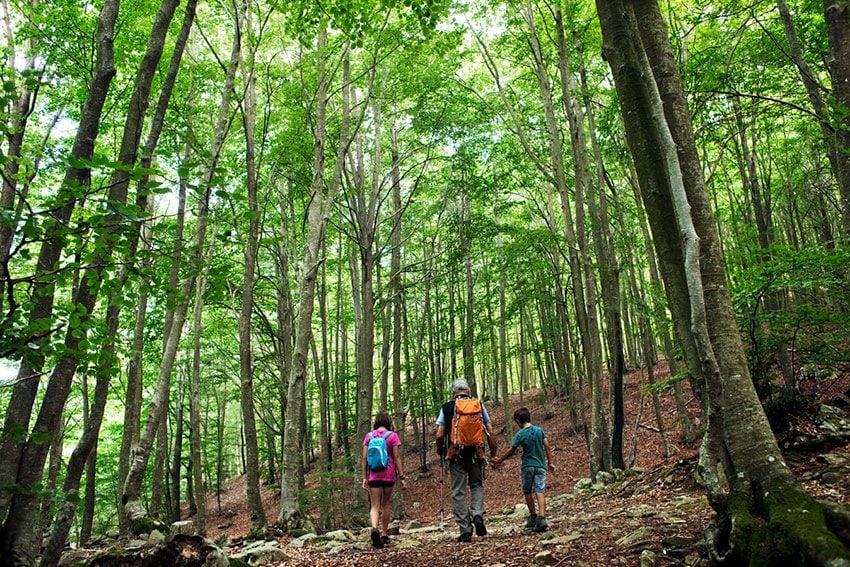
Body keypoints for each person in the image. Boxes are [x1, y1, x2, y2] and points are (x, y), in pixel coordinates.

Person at [435, 378, 498, 542]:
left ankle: (465, 530)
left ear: (453, 392)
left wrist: (440, 450)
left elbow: (440, 434)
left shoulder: (447, 408)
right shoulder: (478, 405)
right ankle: (477, 514)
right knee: (476, 485)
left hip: (456, 455)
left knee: (458, 492)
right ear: (468, 391)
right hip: (477, 454)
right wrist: (493, 453)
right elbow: (490, 431)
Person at [490, 407, 555, 532]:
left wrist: (499, 461)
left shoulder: (520, 434)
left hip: (528, 466)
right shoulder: (539, 430)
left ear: (518, 421)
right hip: (541, 466)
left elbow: (511, 451)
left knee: (527, 491)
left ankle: (533, 516)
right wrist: (550, 463)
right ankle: (542, 518)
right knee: (540, 491)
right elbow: (547, 445)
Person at [362, 411, 407, 548]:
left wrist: (364, 477)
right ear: (388, 422)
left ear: (376, 422)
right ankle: (384, 534)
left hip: (374, 475)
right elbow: (397, 457)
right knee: (386, 503)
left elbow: (364, 458)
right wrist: (402, 476)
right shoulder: (392, 436)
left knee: (375, 505)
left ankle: (374, 528)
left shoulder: (369, 436)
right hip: (388, 475)